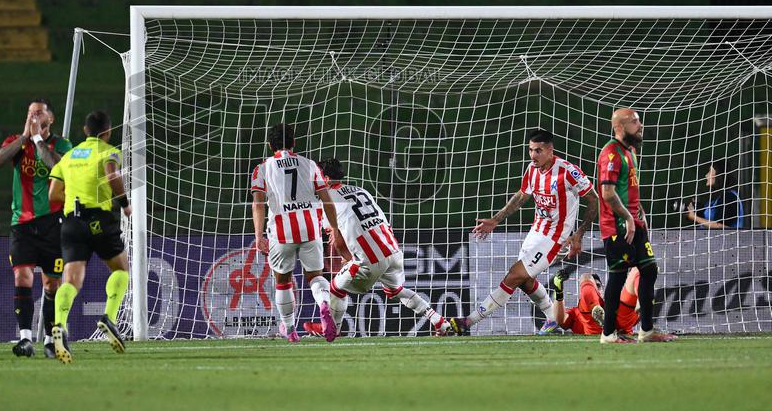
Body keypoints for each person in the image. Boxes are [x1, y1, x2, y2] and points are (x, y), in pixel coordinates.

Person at [449, 129, 598, 335]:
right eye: (530, 150)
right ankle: (552, 318)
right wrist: (495, 220)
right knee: (525, 280)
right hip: (536, 232)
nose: (533, 155)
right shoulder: (532, 169)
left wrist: (579, 233)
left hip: (556, 238)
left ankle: (468, 322)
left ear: (550, 150)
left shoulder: (568, 171)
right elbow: (521, 196)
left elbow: (594, 199)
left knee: (514, 276)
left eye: (538, 151)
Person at [317, 158, 452, 338]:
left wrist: (348, 258)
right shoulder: (361, 190)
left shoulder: (327, 201)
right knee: (395, 291)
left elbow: (338, 239)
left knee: (336, 289)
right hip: (392, 250)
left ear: (325, 179)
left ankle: (334, 330)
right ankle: (439, 321)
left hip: (369, 259)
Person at [0, 99, 72, 358]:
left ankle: (49, 340)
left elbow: (57, 167)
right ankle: (25, 338)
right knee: (22, 277)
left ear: (51, 118)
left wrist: (37, 140)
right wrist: (25, 137)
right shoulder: (18, 142)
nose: (33, 116)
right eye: (30, 112)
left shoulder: (62, 144)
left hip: (52, 223)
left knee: (51, 284)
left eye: (38, 112)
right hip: (22, 224)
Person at [47, 110, 130, 362]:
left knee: (70, 280)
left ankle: (60, 325)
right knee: (120, 269)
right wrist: (125, 204)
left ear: (85, 131)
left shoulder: (69, 156)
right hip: (99, 219)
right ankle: (109, 318)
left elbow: (53, 194)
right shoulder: (108, 150)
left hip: (72, 220)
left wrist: (75, 198)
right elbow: (112, 175)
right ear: (107, 132)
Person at [251, 123, 340, 342]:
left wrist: (258, 235)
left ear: (269, 144)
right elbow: (326, 200)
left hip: (282, 232)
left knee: (282, 280)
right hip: (310, 228)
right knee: (316, 276)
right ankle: (324, 304)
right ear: (294, 143)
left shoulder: (262, 168)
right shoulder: (309, 164)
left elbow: (258, 204)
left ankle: (290, 330)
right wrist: (335, 228)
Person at [596, 108, 675, 343]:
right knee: (618, 276)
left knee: (650, 270)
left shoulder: (630, 151)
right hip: (617, 226)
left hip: (634, 223)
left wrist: (640, 216)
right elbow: (607, 193)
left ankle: (647, 331)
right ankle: (608, 333)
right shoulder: (610, 153)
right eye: (634, 122)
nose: (640, 126)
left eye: (639, 122)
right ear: (619, 127)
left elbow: (630, 191)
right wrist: (629, 219)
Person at [539, 269, 641, 339]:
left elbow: (632, 319)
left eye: (598, 286)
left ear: (603, 289)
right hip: (594, 327)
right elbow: (560, 320)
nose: (596, 288)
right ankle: (596, 311)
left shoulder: (615, 304)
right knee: (585, 277)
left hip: (616, 321)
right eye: (593, 286)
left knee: (637, 270)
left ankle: (641, 298)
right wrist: (559, 291)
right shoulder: (576, 312)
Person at [686, 160, 745, 229]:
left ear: (719, 174)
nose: (706, 175)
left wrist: (694, 217)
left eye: (710, 171)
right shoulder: (716, 199)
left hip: (727, 239)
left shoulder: (730, 197)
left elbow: (722, 227)